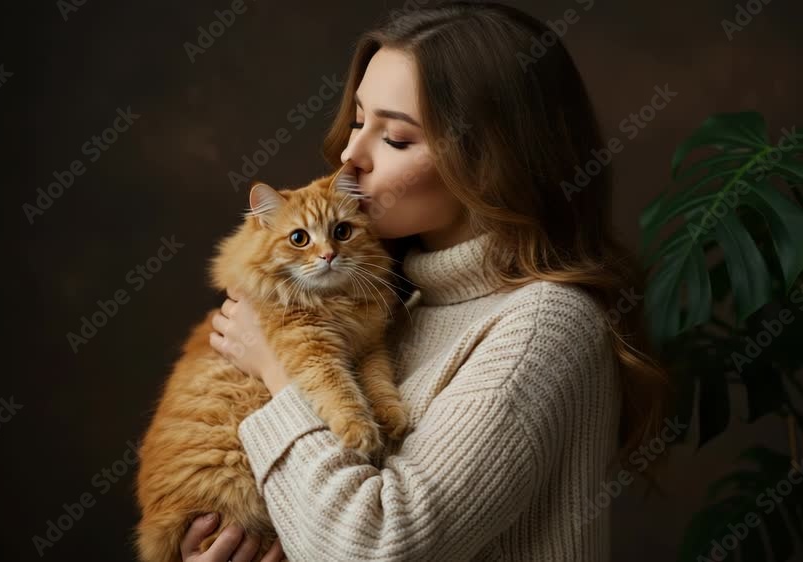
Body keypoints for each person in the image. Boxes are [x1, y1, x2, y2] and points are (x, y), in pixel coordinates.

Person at [199, 2, 671, 560]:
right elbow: (329, 512)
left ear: (491, 161)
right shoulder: (402, 303)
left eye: (396, 139)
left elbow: (375, 548)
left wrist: (277, 371)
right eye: (358, 122)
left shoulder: (544, 326)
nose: (350, 154)